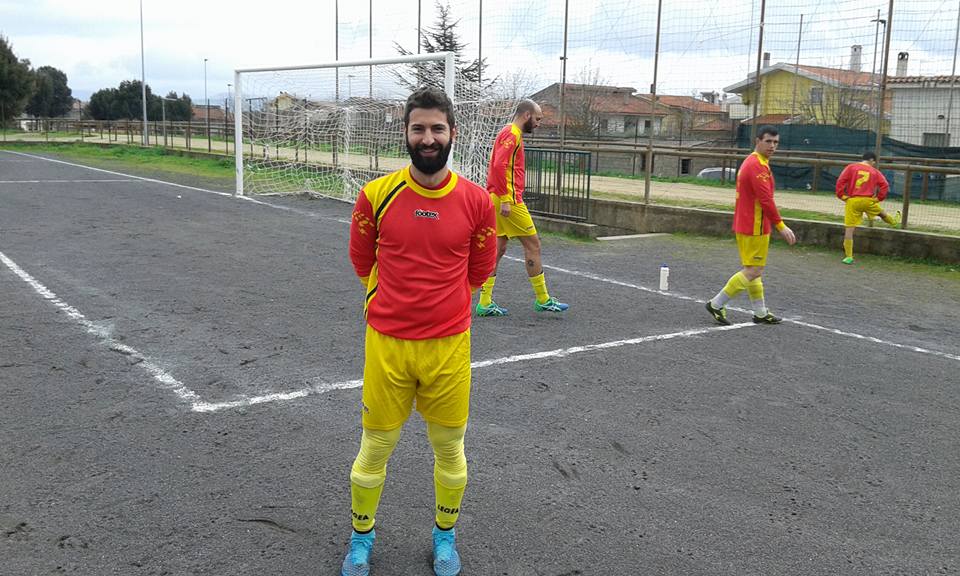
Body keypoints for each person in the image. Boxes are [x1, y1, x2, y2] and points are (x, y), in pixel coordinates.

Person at [343, 86, 497, 576]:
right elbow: (361, 261)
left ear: (452, 133)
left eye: (437, 128)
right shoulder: (375, 195)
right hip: (386, 346)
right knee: (375, 449)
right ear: (405, 133)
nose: (427, 138)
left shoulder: (477, 202)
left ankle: (444, 539)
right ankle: (361, 539)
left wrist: (441, 309)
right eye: (418, 128)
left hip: (449, 348)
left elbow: (480, 268)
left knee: (450, 450)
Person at [475, 99, 568, 317]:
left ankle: (485, 302)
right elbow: (499, 165)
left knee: (498, 249)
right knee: (533, 244)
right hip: (508, 199)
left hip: (498, 197)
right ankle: (543, 299)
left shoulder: (508, 132)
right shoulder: (512, 133)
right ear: (526, 115)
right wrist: (507, 198)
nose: (538, 123)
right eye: (537, 119)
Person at [705, 125, 797, 326]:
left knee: (753, 269)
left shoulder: (756, 162)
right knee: (754, 270)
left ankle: (760, 312)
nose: (772, 146)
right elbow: (765, 199)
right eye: (768, 141)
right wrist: (781, 226)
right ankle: (716, 303)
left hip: (750, 223)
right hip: (753, 225)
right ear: (757, 141)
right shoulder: (756, 164)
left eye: (776, 142)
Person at [835, 151, 900, 264]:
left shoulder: (851, 167)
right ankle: (893, 222)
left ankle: (849, 256)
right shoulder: (874, 171)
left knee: (849, 229)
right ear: (871, 160)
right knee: (881, 213)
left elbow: (841, 181)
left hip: (853, 200)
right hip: (868, 200)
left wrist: (842, 195)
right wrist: (879, 198)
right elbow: (884, 185)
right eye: (874, 162)